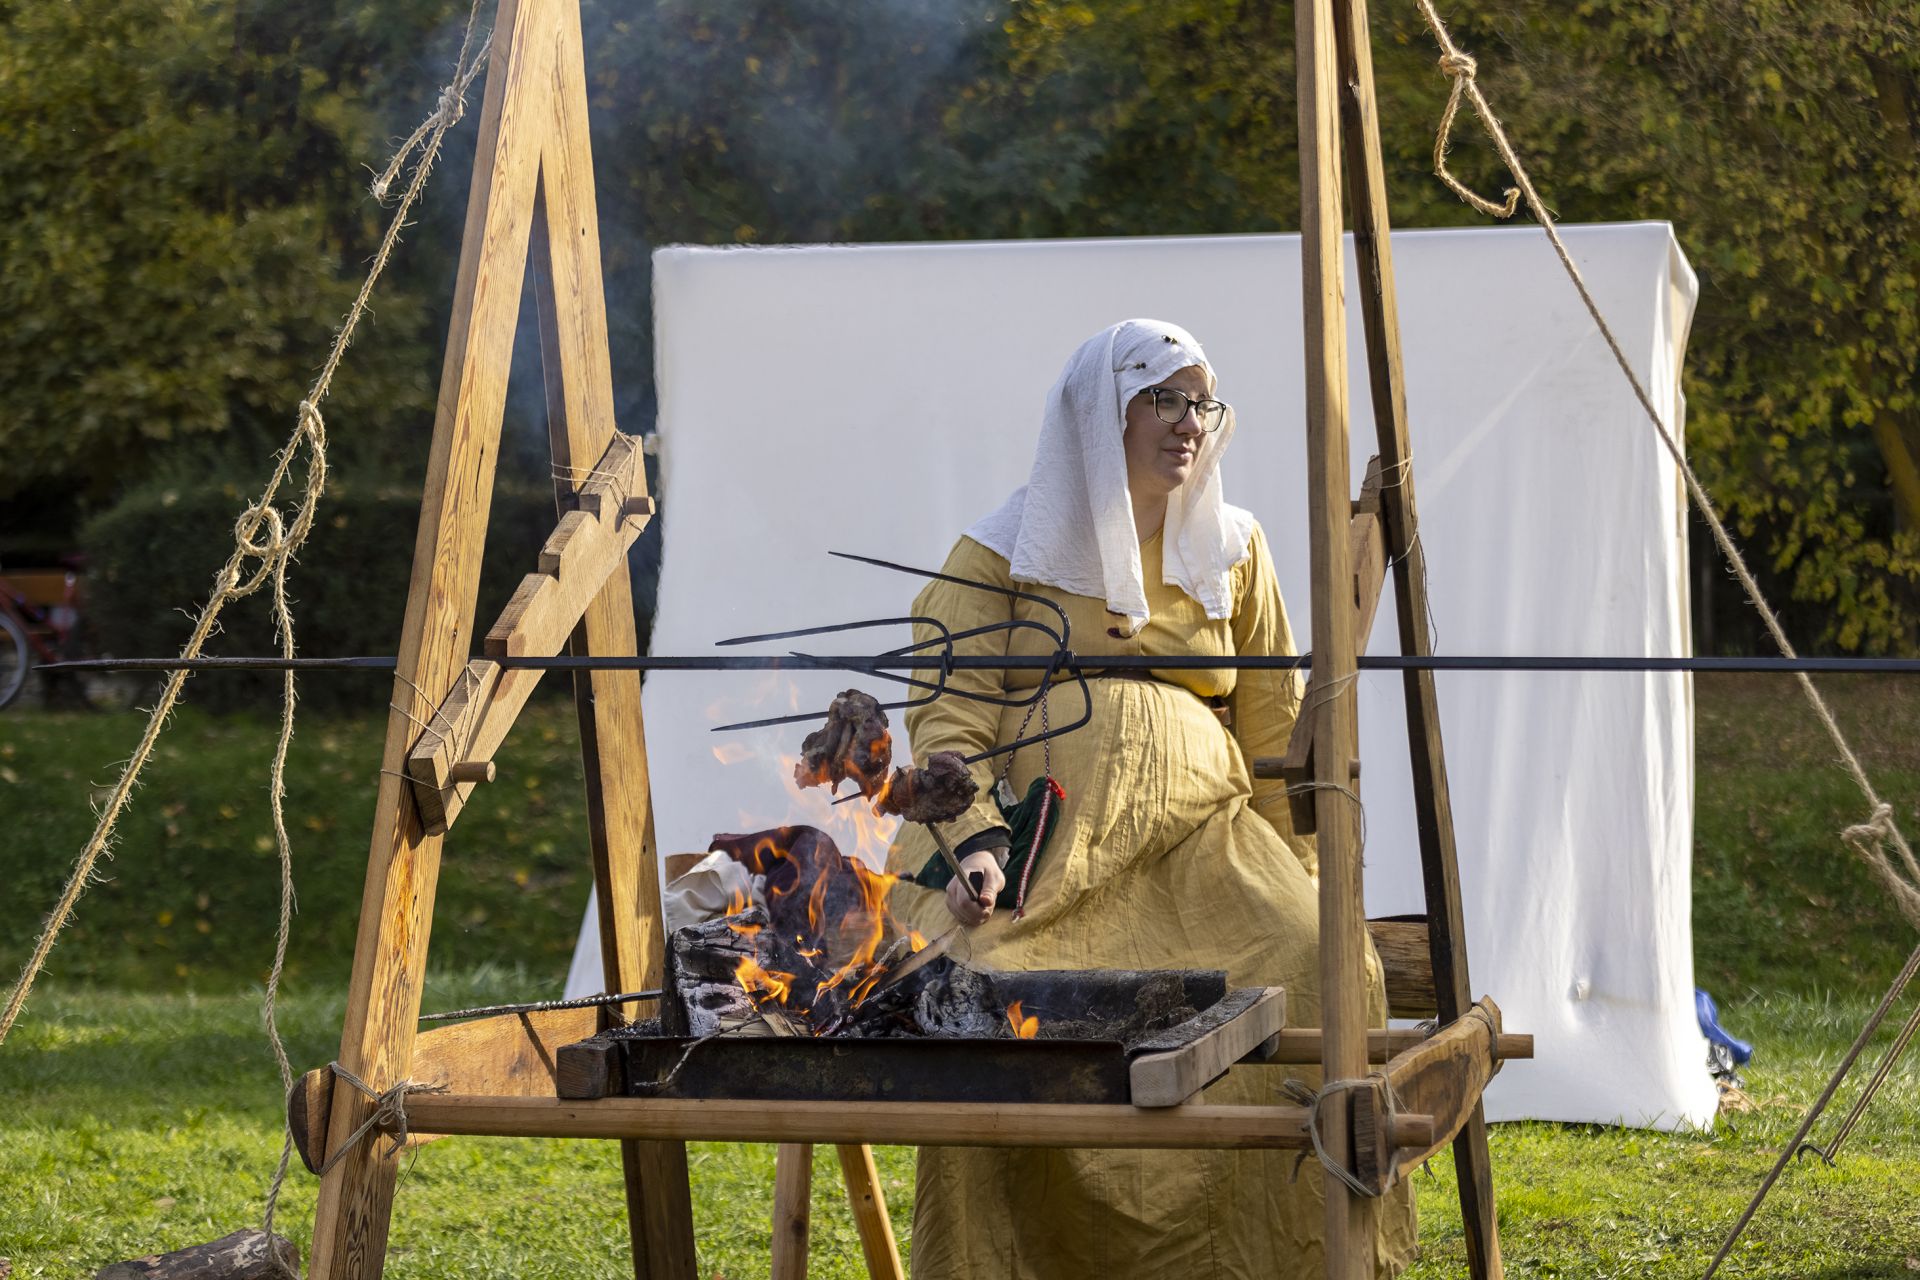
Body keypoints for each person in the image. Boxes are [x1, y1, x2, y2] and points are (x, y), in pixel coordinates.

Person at [884, 319, 1415, 1278]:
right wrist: (973, 849)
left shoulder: (1236, 552)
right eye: (1162, 400)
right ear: (1100, 415)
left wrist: (1302, 874)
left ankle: (1294, 1258)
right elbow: (948, 727)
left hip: (1205, 844)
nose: (1188, 426)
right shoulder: (997, 556)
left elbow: (1272, 733)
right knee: (983, 994)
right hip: (1042, 849)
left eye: (1200, 405)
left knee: (1312, 957)